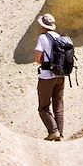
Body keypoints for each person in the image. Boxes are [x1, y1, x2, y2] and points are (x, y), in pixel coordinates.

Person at [34, 13, 64, 141]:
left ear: (43, 26)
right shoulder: (59, 37)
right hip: (61, 75)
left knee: (43, 107)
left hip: (47, 76)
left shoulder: (42, 37)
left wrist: (45, 64)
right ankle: (60, 134)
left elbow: (37, 58)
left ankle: (53, 131)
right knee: (58, 104)